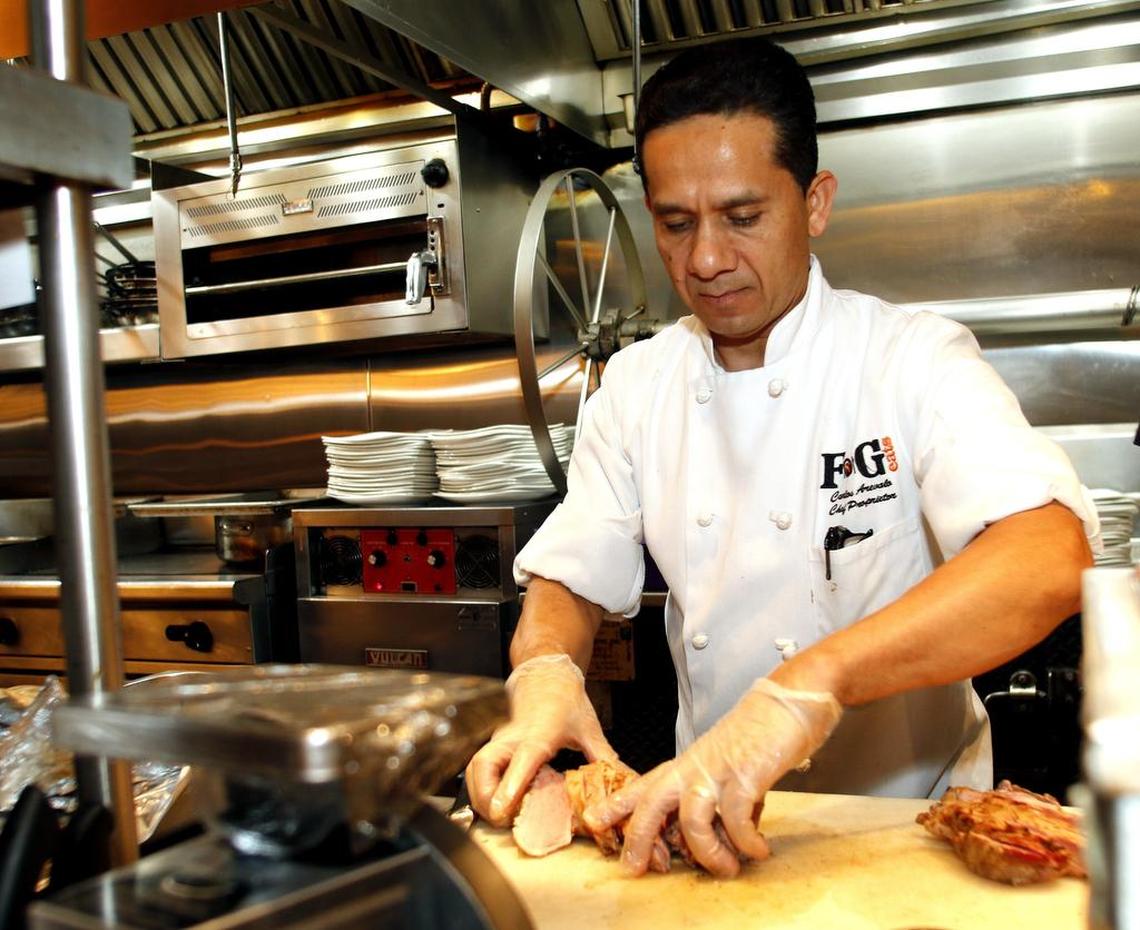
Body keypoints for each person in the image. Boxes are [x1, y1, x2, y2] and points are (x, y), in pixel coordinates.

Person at [466, 36, 1098, 878]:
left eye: (743, 216)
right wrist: (544, 666)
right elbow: (575, 571)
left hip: (908, 829)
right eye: (676, 222)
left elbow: (1048, 556)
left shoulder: (911, 358)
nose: (706, 260)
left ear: (816, 201)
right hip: (703, 822)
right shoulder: (637, 386)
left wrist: (809, 688)